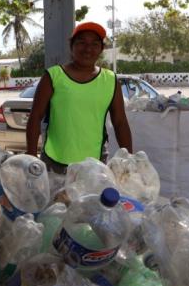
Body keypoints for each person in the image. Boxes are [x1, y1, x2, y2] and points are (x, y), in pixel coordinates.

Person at [25, 22, 133, 173]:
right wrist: (30, 157)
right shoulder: (54, 76)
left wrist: (129, 160)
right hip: (54, 161)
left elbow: (120, 122)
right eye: (81, 42)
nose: (88, 49)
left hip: (95, 164)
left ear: (101, 49)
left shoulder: (110, 80)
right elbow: (35, 116)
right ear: (72, 46)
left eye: (94, 44)